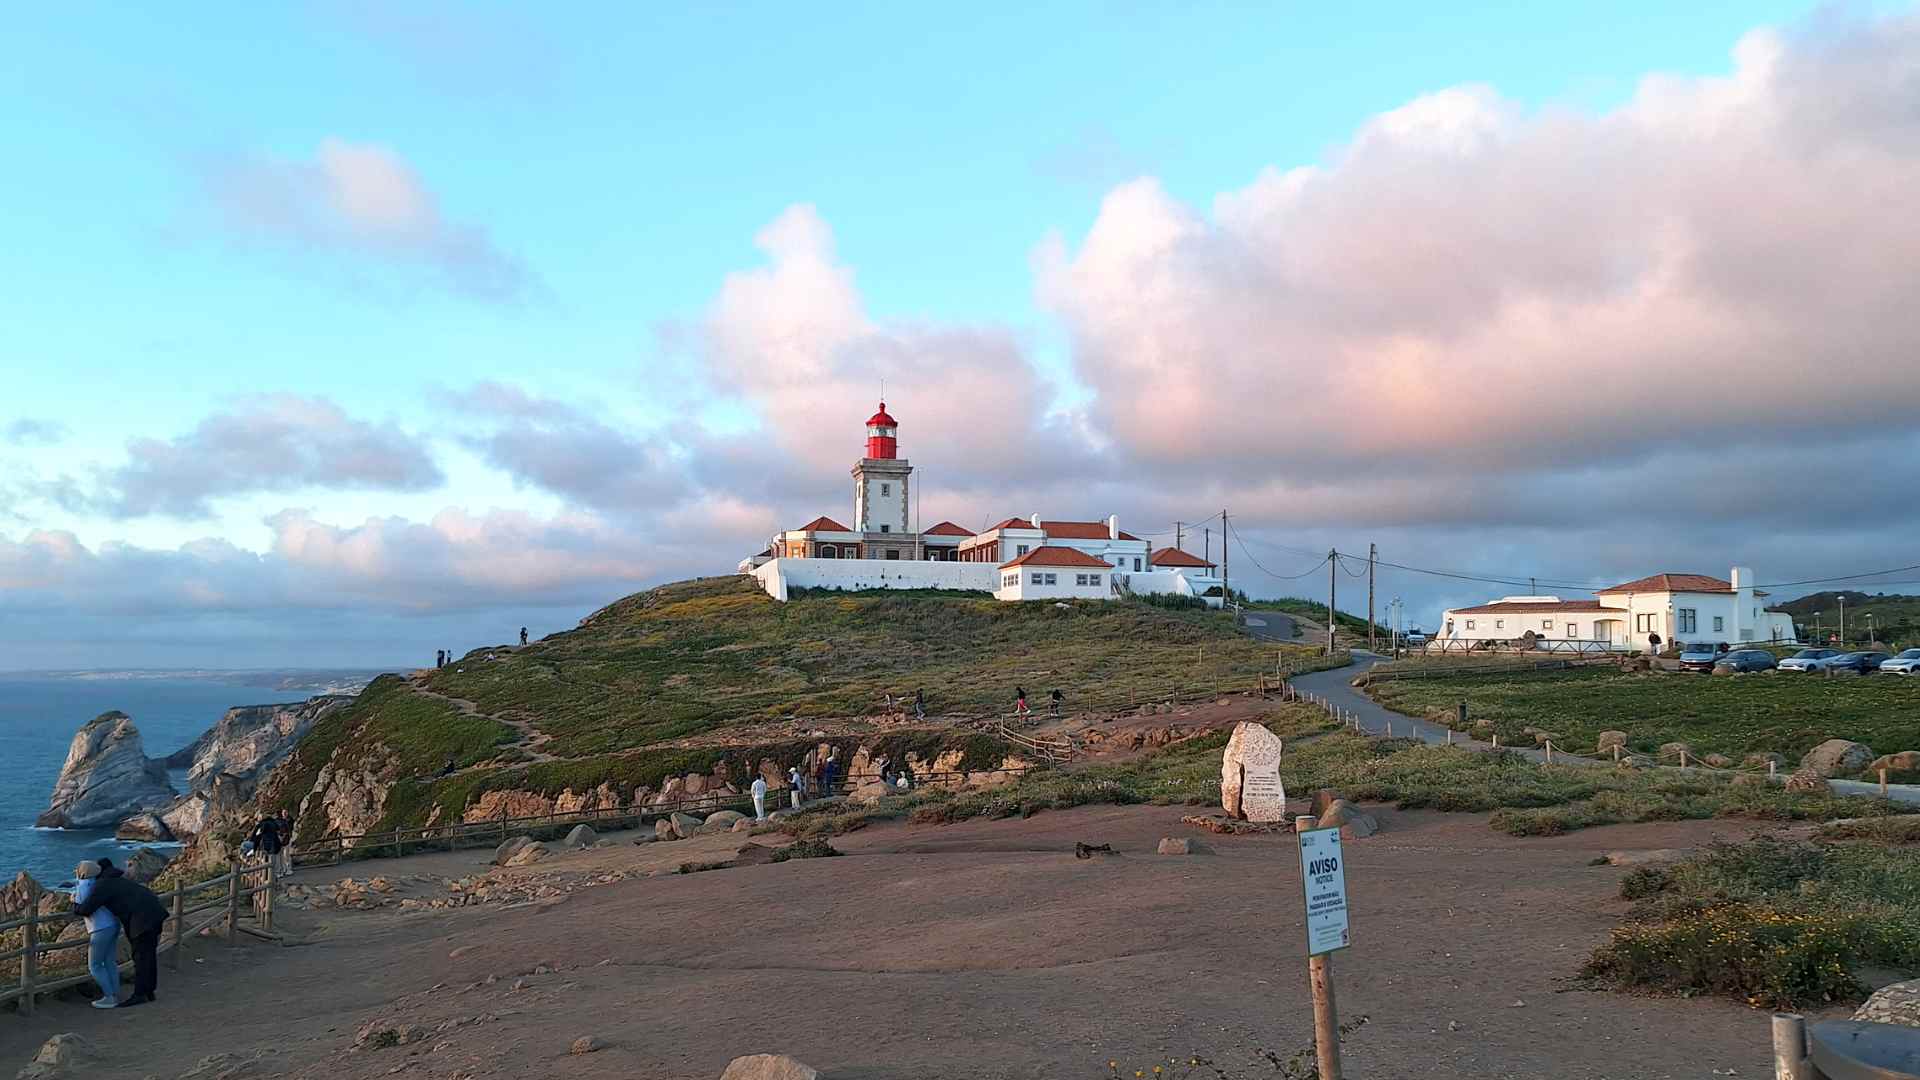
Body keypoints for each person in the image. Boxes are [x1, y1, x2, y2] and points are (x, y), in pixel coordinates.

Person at [71, 858, 169, 1007]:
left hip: (142, 920)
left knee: (141, 957)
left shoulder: (104, 885)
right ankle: (148, 992)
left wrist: (75, 904)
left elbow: (85, 909)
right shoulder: (117, 879)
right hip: (153, 912)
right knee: (148, 956)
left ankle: (140, 995)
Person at [72, 861, 121, 1009]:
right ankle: (115, 993)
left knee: (94, 965)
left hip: (100, 928)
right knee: (109, 961)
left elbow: (80, 907)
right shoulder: (100, 884)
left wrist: (72, 899)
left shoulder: (83, 886)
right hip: (113, 924)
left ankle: (109, 997)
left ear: (82, 873)